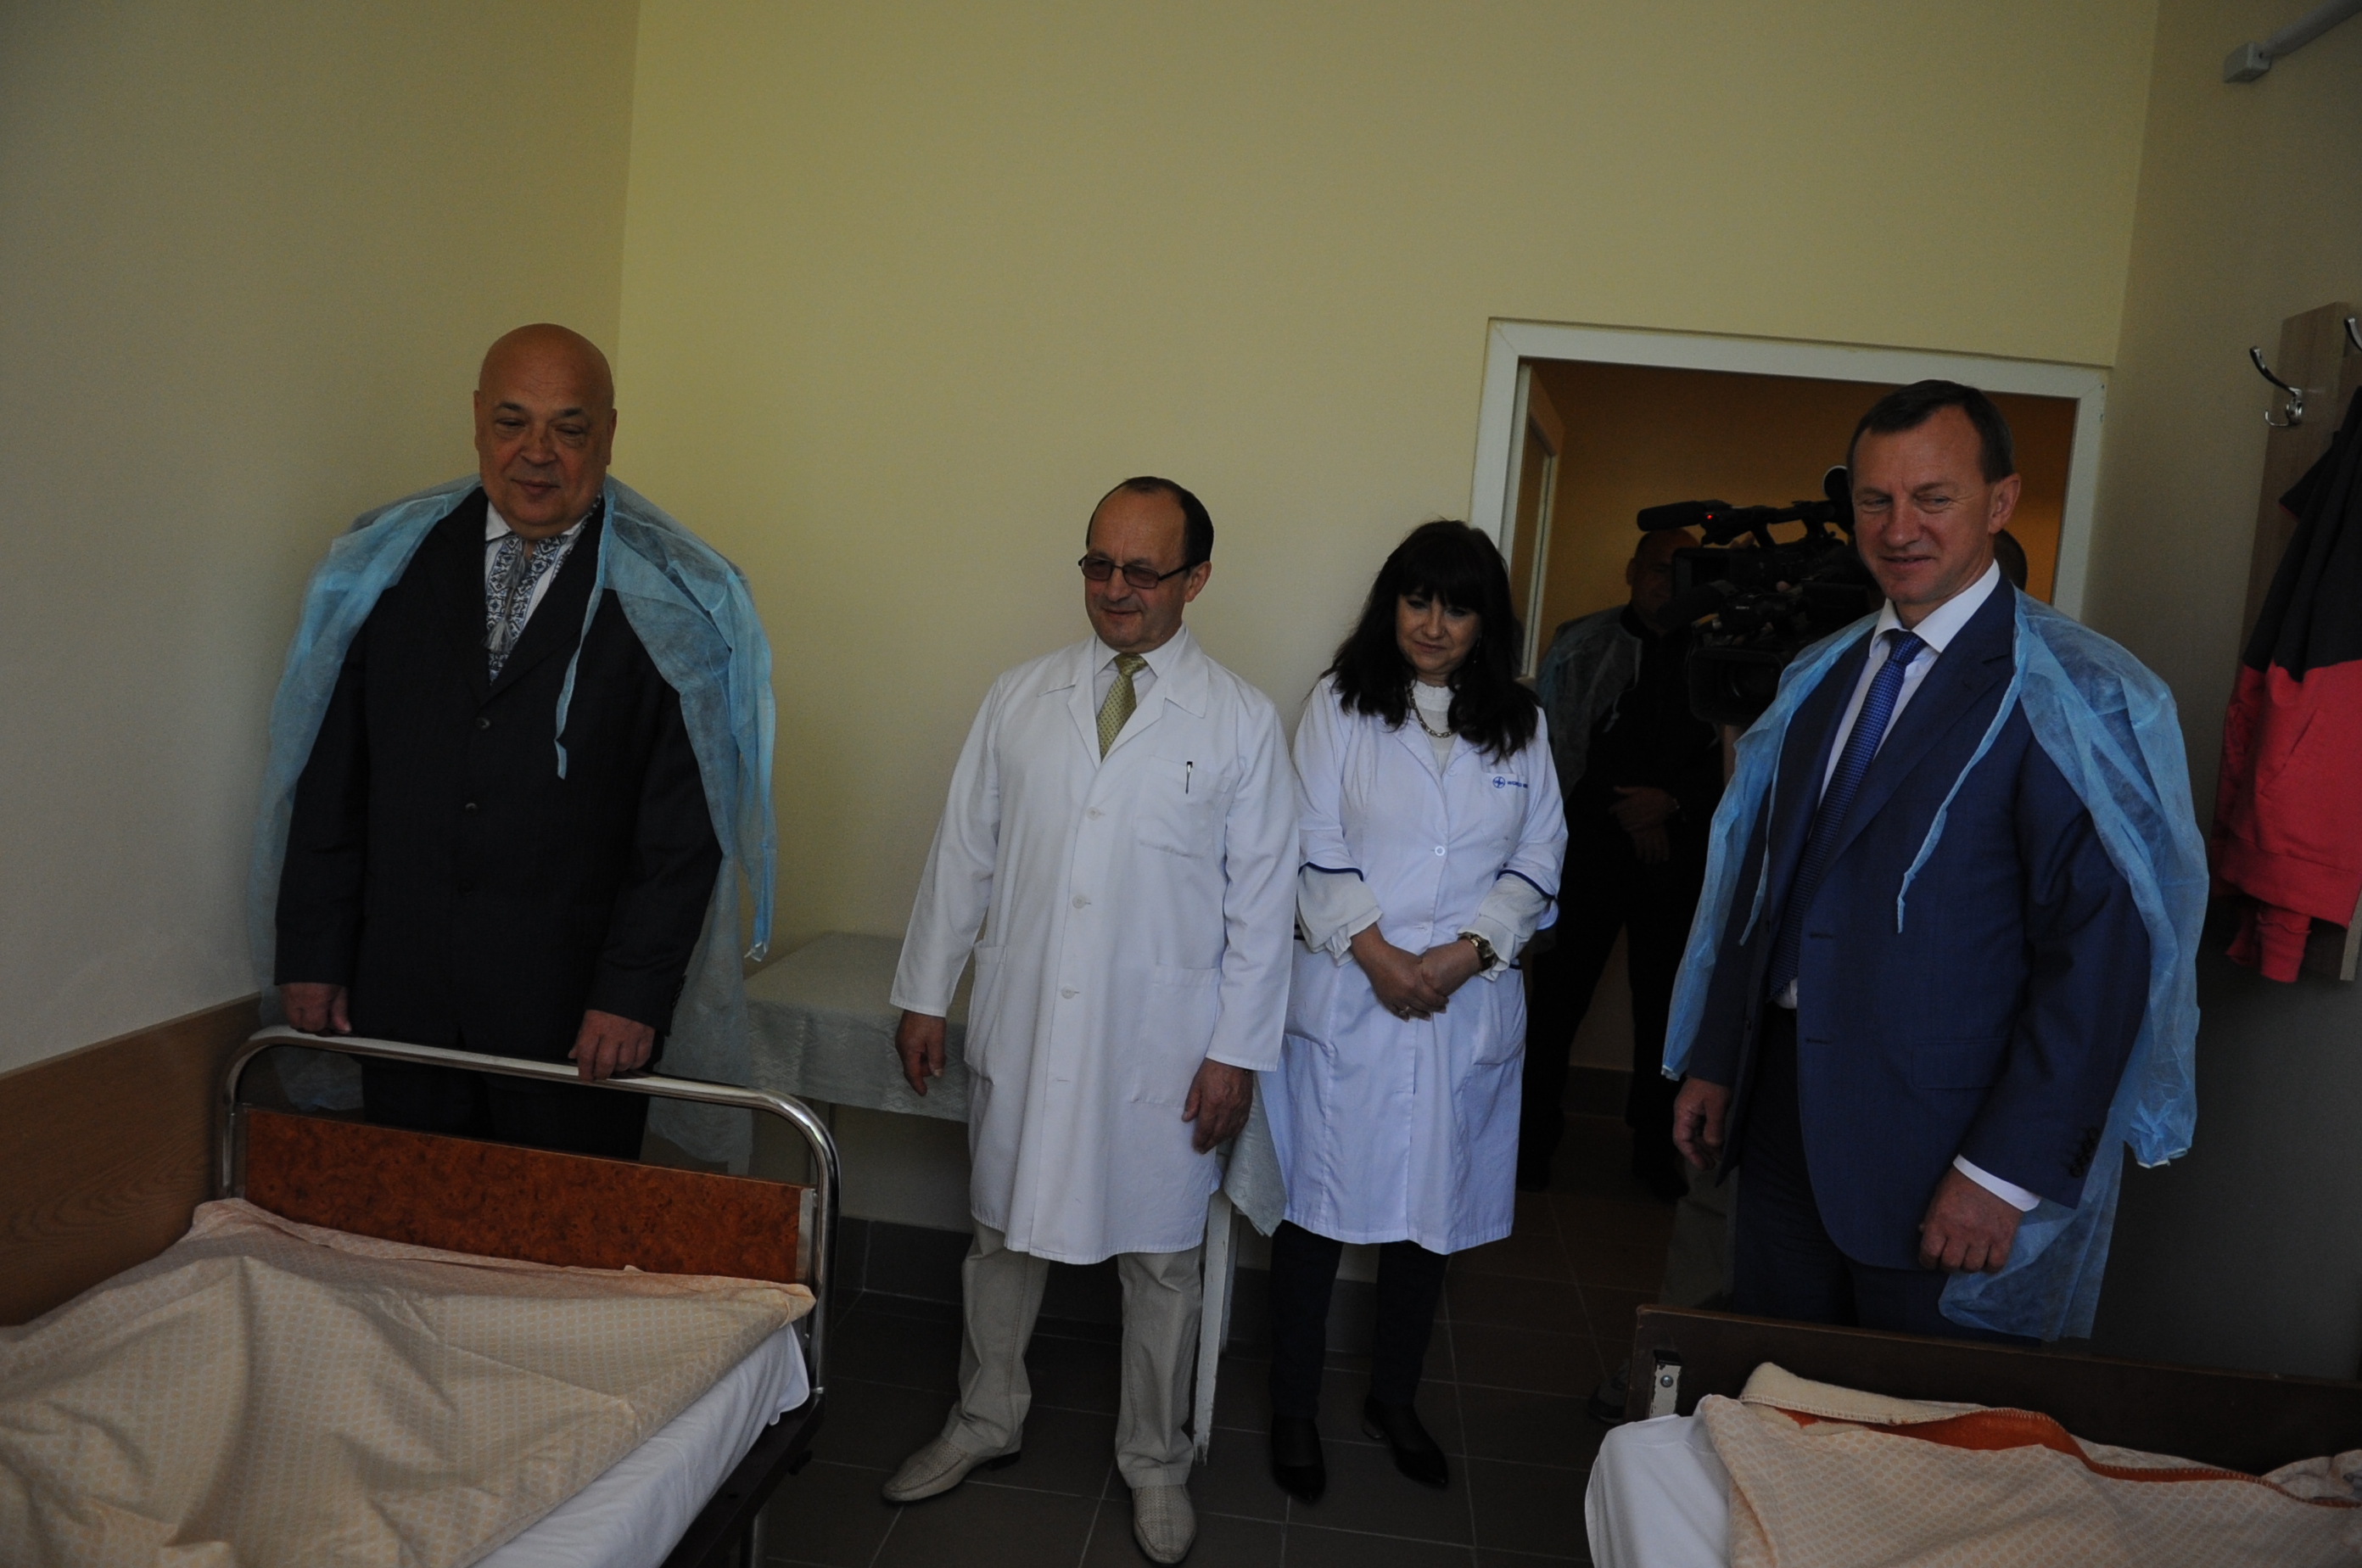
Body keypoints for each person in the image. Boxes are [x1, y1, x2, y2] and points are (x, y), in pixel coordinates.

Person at [1666, 380, 2184, 1342]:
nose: (1899, 529)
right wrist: (1717, 1062)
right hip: (1781, 1115)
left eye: (1933, 498)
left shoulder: (2070, 695)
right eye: (1876, 500)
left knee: (1916, 1418)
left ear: (2000, 501)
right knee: (1772, 1392)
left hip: (1943, 1149)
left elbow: (2101, 956)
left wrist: (2003, 1172)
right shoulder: (1823, 675)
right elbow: (1764, 884)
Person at [884, 477, 1296, 1563]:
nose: (1116, 589)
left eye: (1142, 571)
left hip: (1162, 1045)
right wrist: (926, 992)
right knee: (999, 1234)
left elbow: (1262, 910)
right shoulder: (1021, 697)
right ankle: (985, 1417)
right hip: (1026, 1021)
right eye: (1099, 565)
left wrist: (1236, 1054)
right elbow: (963, 855)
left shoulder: (1241, 722)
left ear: (1196, 580)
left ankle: (1155, 1460)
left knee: (1161, 1261)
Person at [260, 324, 774, 1162]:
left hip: (577, 1028)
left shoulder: (678, 596)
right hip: (402, 1005)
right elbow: (331, 777)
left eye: (569, 428)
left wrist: (632, 995)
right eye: (512, 423)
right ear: (476, 420)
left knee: (564, 1240)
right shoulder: (386, 563)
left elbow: (684, 830)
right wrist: (313, 952)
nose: (537, 454)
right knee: (408, 1225)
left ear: (609, 433)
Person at [1262, 521, 1565, 1501]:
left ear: (1487, 621)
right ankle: (1293, 1407)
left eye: (1458, 607)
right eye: (1418, 600)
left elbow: (1541, 856)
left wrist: (1466, 954)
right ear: (1391, 604)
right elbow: (1311, 838)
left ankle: (1394, 1399)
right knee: (1313, 1214)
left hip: (1456, 1009)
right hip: (1352, 999)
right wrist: (1381, 957)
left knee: (1426, 1224)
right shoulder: (1339, 705)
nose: (1434, 625)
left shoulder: (1521, 724)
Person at [1522, 527, 1723, 1198]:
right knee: (1556, 1004)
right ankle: (1528, 1145)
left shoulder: (1721, 655)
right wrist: (1628, 810)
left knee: (1666, 1009)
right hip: (1585, 855)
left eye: (1686, 572)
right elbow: (1553, 750)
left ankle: (1654, 1152)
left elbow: (1740, 764)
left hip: (1678, 860)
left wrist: (1670, 804)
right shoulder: (1581, 645)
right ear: (1633, 570)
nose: (1669, 583)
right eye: (1660, 568)